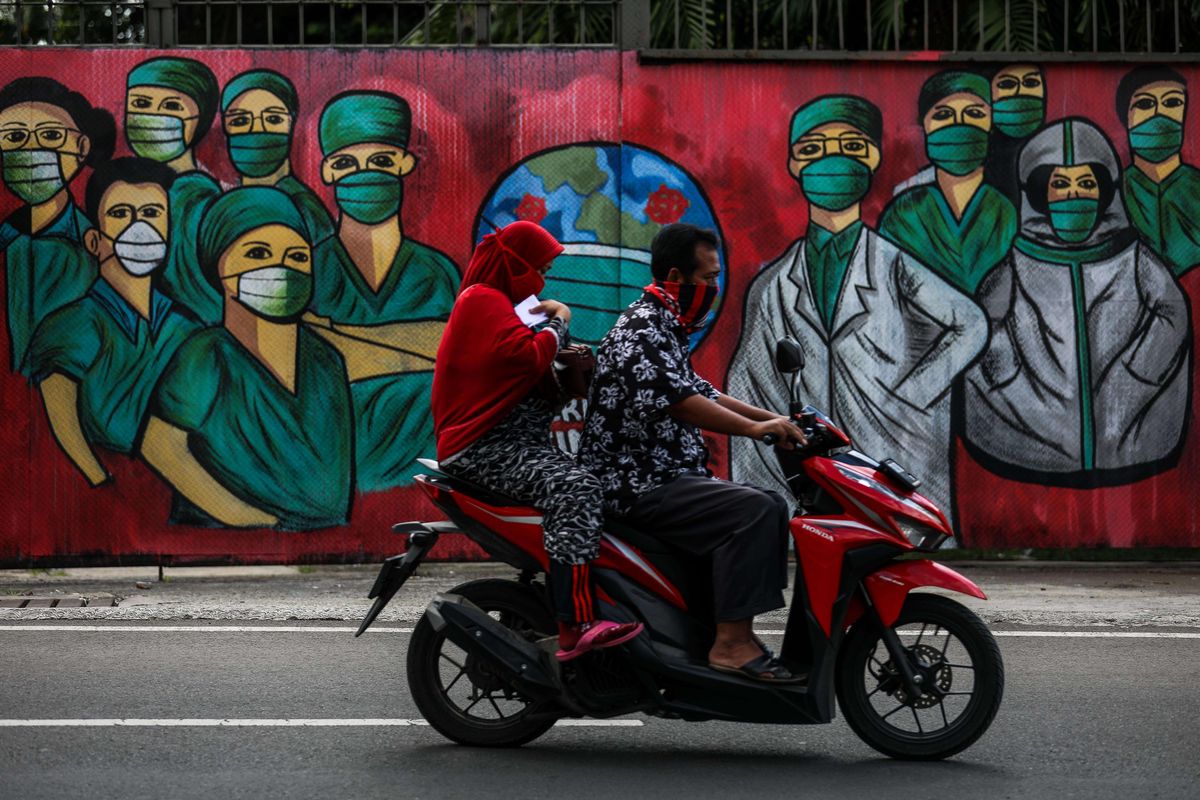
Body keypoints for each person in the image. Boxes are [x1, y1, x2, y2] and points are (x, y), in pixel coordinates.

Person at [726, 95, 986, 519]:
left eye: (851, 147)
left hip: (894, 436)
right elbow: (748, 381)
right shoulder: (772, 284)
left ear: (873, 159)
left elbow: (970, 324)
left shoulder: (894, 263)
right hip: (821, 457)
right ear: (794, 165)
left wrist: (912, 394)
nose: (833, 160)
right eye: (814, 150)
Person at [578, 223, 805, 683]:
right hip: (637, 481)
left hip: (665, 475)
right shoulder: (642, 328)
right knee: (757, 510)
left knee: (752, 507)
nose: (715, 288)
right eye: (708, 278)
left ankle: (713, 631)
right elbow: (680, 402)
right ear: (677, 278)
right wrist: (756, 429)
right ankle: (732, 644)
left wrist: (779, 419)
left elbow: (702, 391)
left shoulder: (665, 325)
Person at [432, 220, 642, 662]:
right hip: (485, 447)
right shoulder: (482, 300)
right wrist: (560, 320)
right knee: (576, 488)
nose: (542, 280)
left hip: (514, 444)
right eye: (539, 267)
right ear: (514, 263)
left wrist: (570, 369)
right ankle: (576, 624)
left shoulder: (505, 310)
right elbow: (525, 357)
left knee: (600, 482)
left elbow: (520, 376)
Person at [962, 118, 1190, 482]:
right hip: (1029, 431)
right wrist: (1008, 376)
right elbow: (984, 327)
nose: (1073, 195)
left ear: (1104, 191)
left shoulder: (1133, 258)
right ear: (1038, 193)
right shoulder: (1016, 264)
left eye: (1086, 183)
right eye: (1059, 184)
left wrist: (1139, 372)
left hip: (1131, 429)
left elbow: (1172, 313)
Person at [143, 187, 353, 530]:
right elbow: (161, 447)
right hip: (218, 535)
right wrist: (249, 518)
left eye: (297, 257)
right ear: (220, 268)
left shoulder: (325, 360)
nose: (281, 269)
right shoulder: (208, 355)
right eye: (258, 253)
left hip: (323, 531)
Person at [307, 90, 459, 492]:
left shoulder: (436, 273)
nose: (364, 174)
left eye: (380, 161)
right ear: (327, 173)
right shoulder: (311, 269)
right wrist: (424, 344)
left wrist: (340, 340)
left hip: (428, 472)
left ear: (405, 164)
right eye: (345, 163)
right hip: (334, 464)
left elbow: (460, 355)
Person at [26, 158, 198, 486]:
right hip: (111, 489)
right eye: (120, 214)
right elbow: (63, 422)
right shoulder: (72, 325)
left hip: (182, 487)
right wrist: (100, 482)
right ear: (93, 240)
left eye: (151, 213)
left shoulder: (187, 329)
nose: (139, 227)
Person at [0, 76, 115, 373]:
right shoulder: (7, 238)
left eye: (51, 135)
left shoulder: (94, 243)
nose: (31, 150)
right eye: (13, 138)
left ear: (82, 147)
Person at [879, 70, 1017, 294]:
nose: (959, 125)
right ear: (925, 125)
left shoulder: (1004, 212)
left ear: (991, 123)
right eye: (943, 115)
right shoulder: (903, 214)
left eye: (973, 113)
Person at [125, 56, 224, 323]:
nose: (154, 116)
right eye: (140, 104)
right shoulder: (126, 191)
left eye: (171, 106)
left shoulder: (198, 199)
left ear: (199, 118)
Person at [220, 69, 334, 246]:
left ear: (291, 124)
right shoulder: (226, 204)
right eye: (240, 121)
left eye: (273, 119)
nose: (257, 130)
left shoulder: (304, 209)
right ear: (226, 130)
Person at [1116, 65, 1200, 276]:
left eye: (1172, 103)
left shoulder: (1196, 187)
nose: (1159, 114)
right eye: (1145, 104)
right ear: (1126, 117)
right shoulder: (1115, 193)